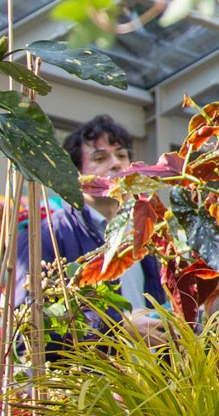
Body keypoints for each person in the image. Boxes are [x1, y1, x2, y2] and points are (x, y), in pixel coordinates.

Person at [16, 116, 164, 326]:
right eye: (100, 158)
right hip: (92, 359)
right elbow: (28, 326)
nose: (116, 164)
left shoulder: (142, 231)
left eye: (121, 155)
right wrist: (118, 328)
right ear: (75, 174)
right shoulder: (47, 236)